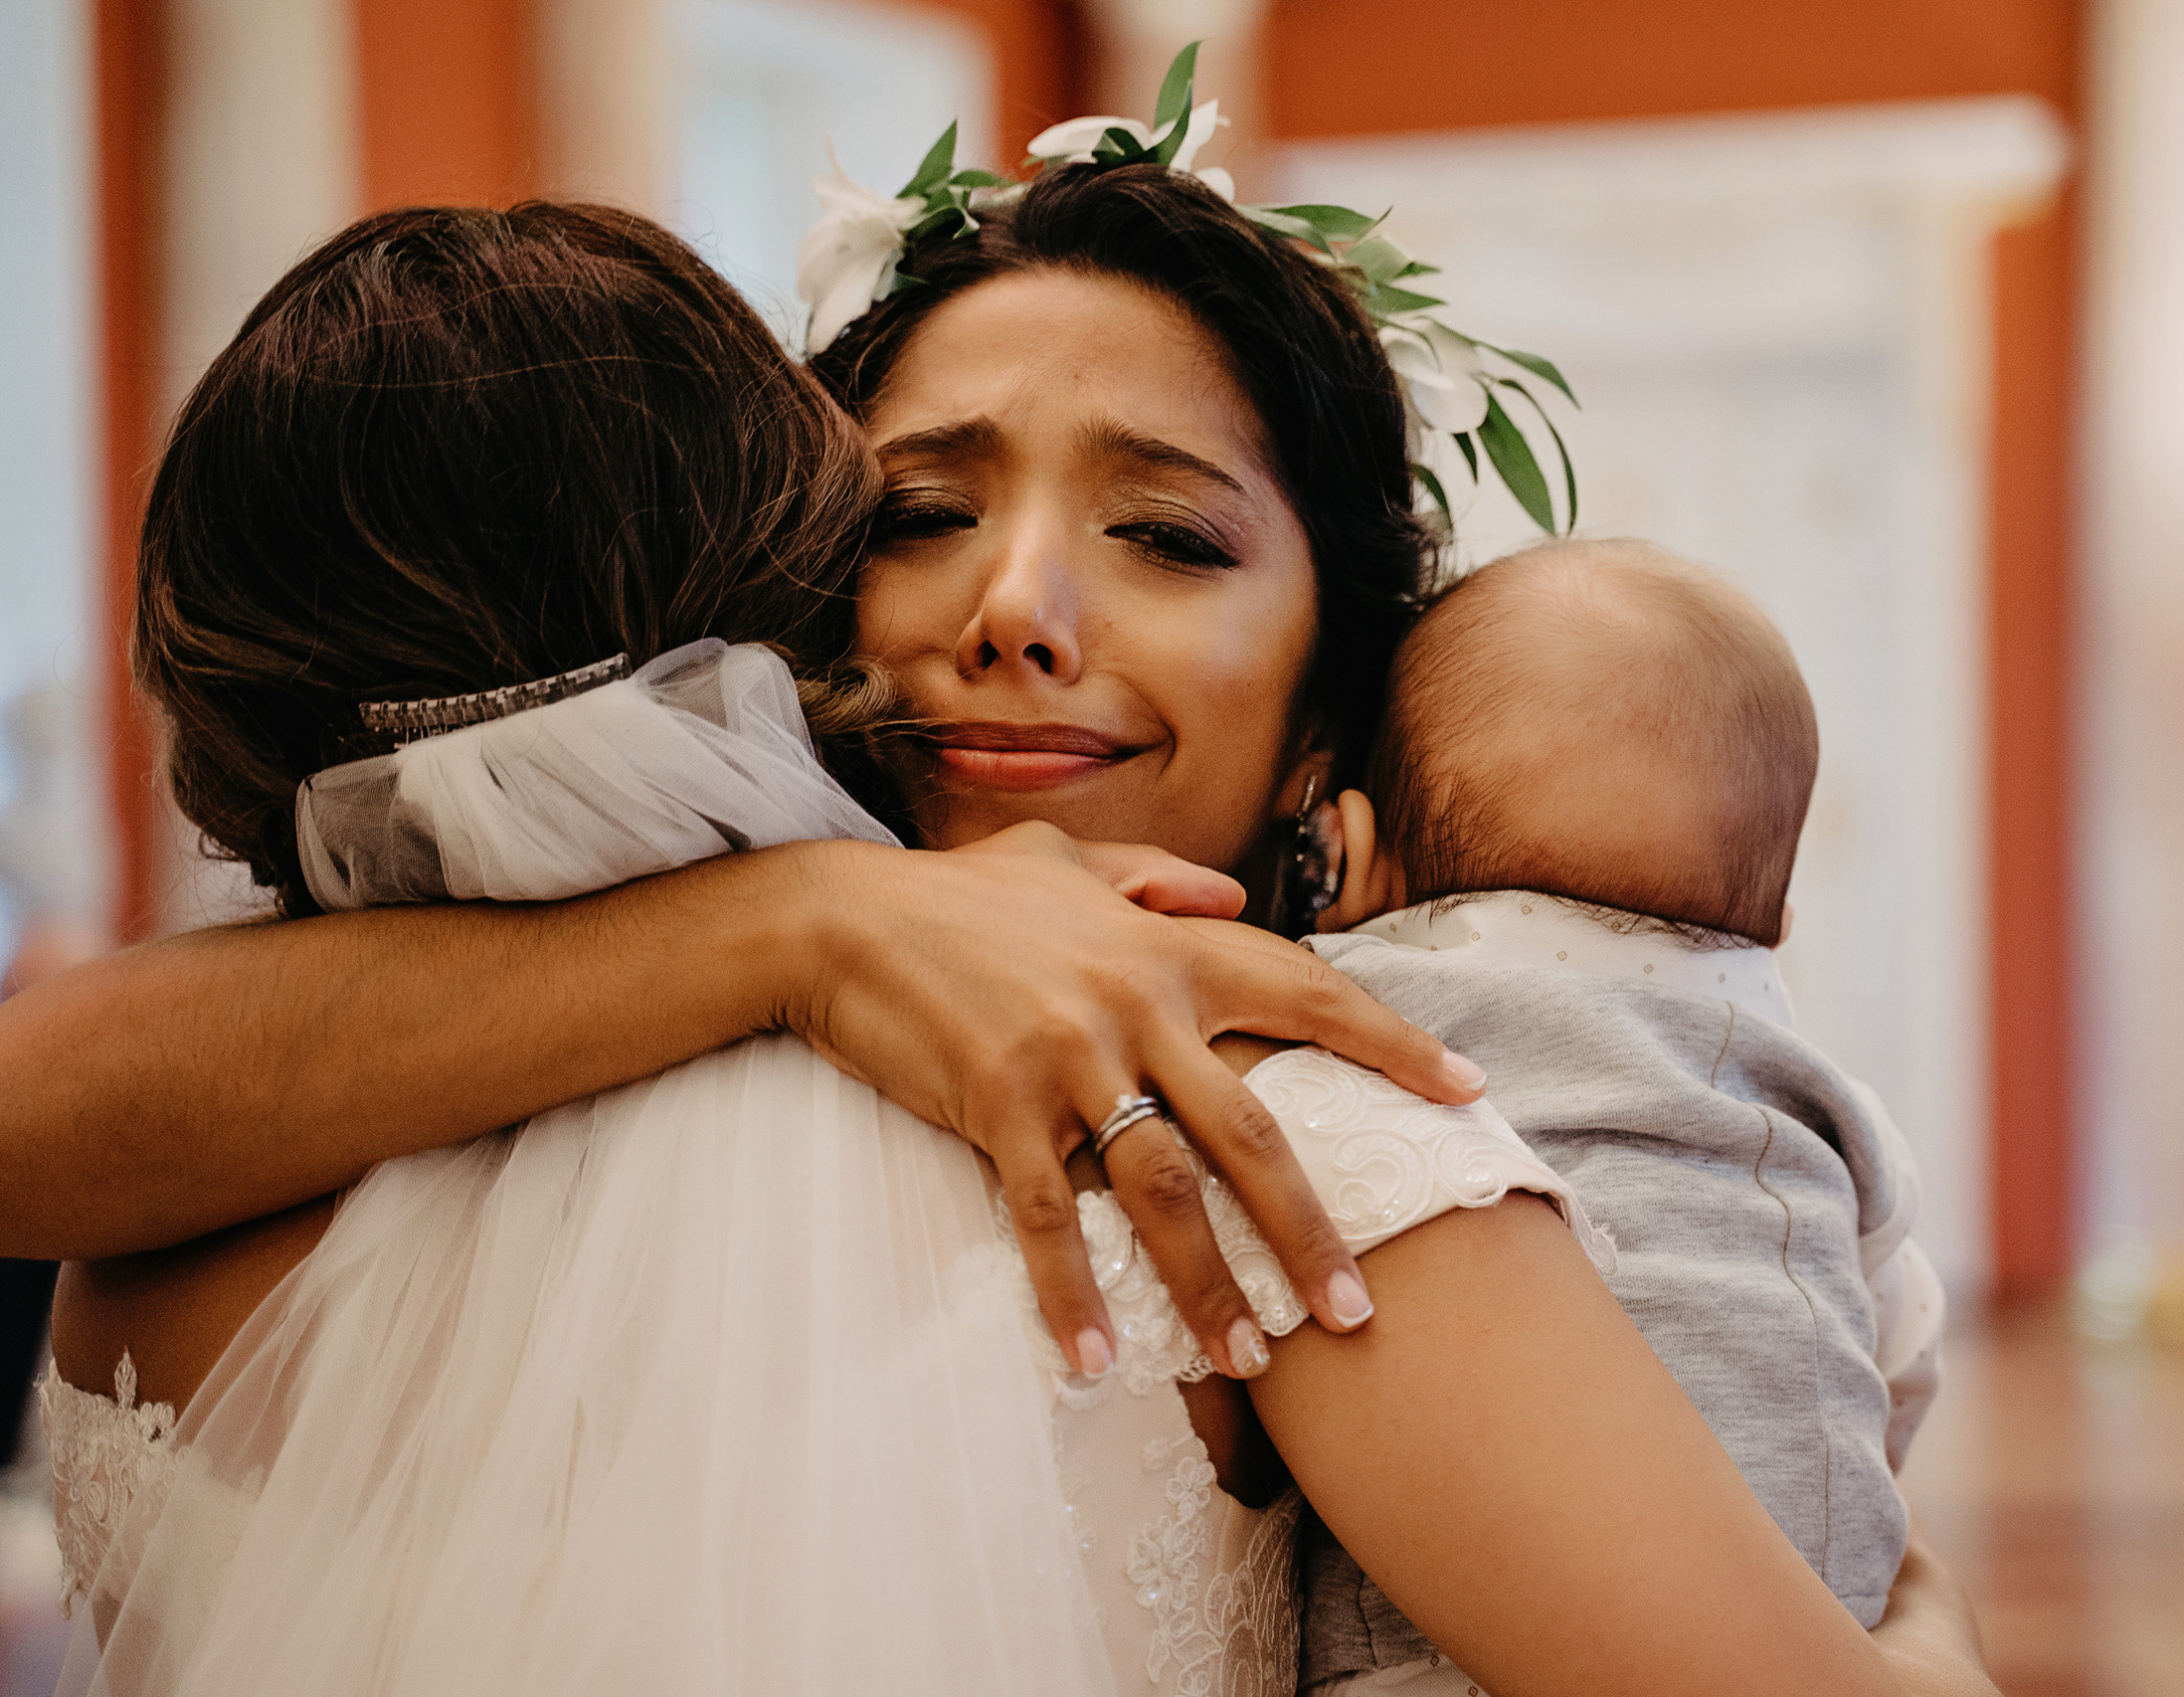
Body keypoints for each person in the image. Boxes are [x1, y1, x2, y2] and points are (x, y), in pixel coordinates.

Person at [5, 146, 1998, 1697]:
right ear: (776, 587)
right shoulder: (1280, 1154)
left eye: (1165, 532)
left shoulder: (1358, 1105)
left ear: (1335, 701)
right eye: (916, 512)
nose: (1017, 608)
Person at [1285, 539, 1948, 1692]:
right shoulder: (1819, 1104)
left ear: (1349, 851)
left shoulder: (1346, 1012)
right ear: (1777, 917)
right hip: (1814, 1615)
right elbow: (1898, 1341)